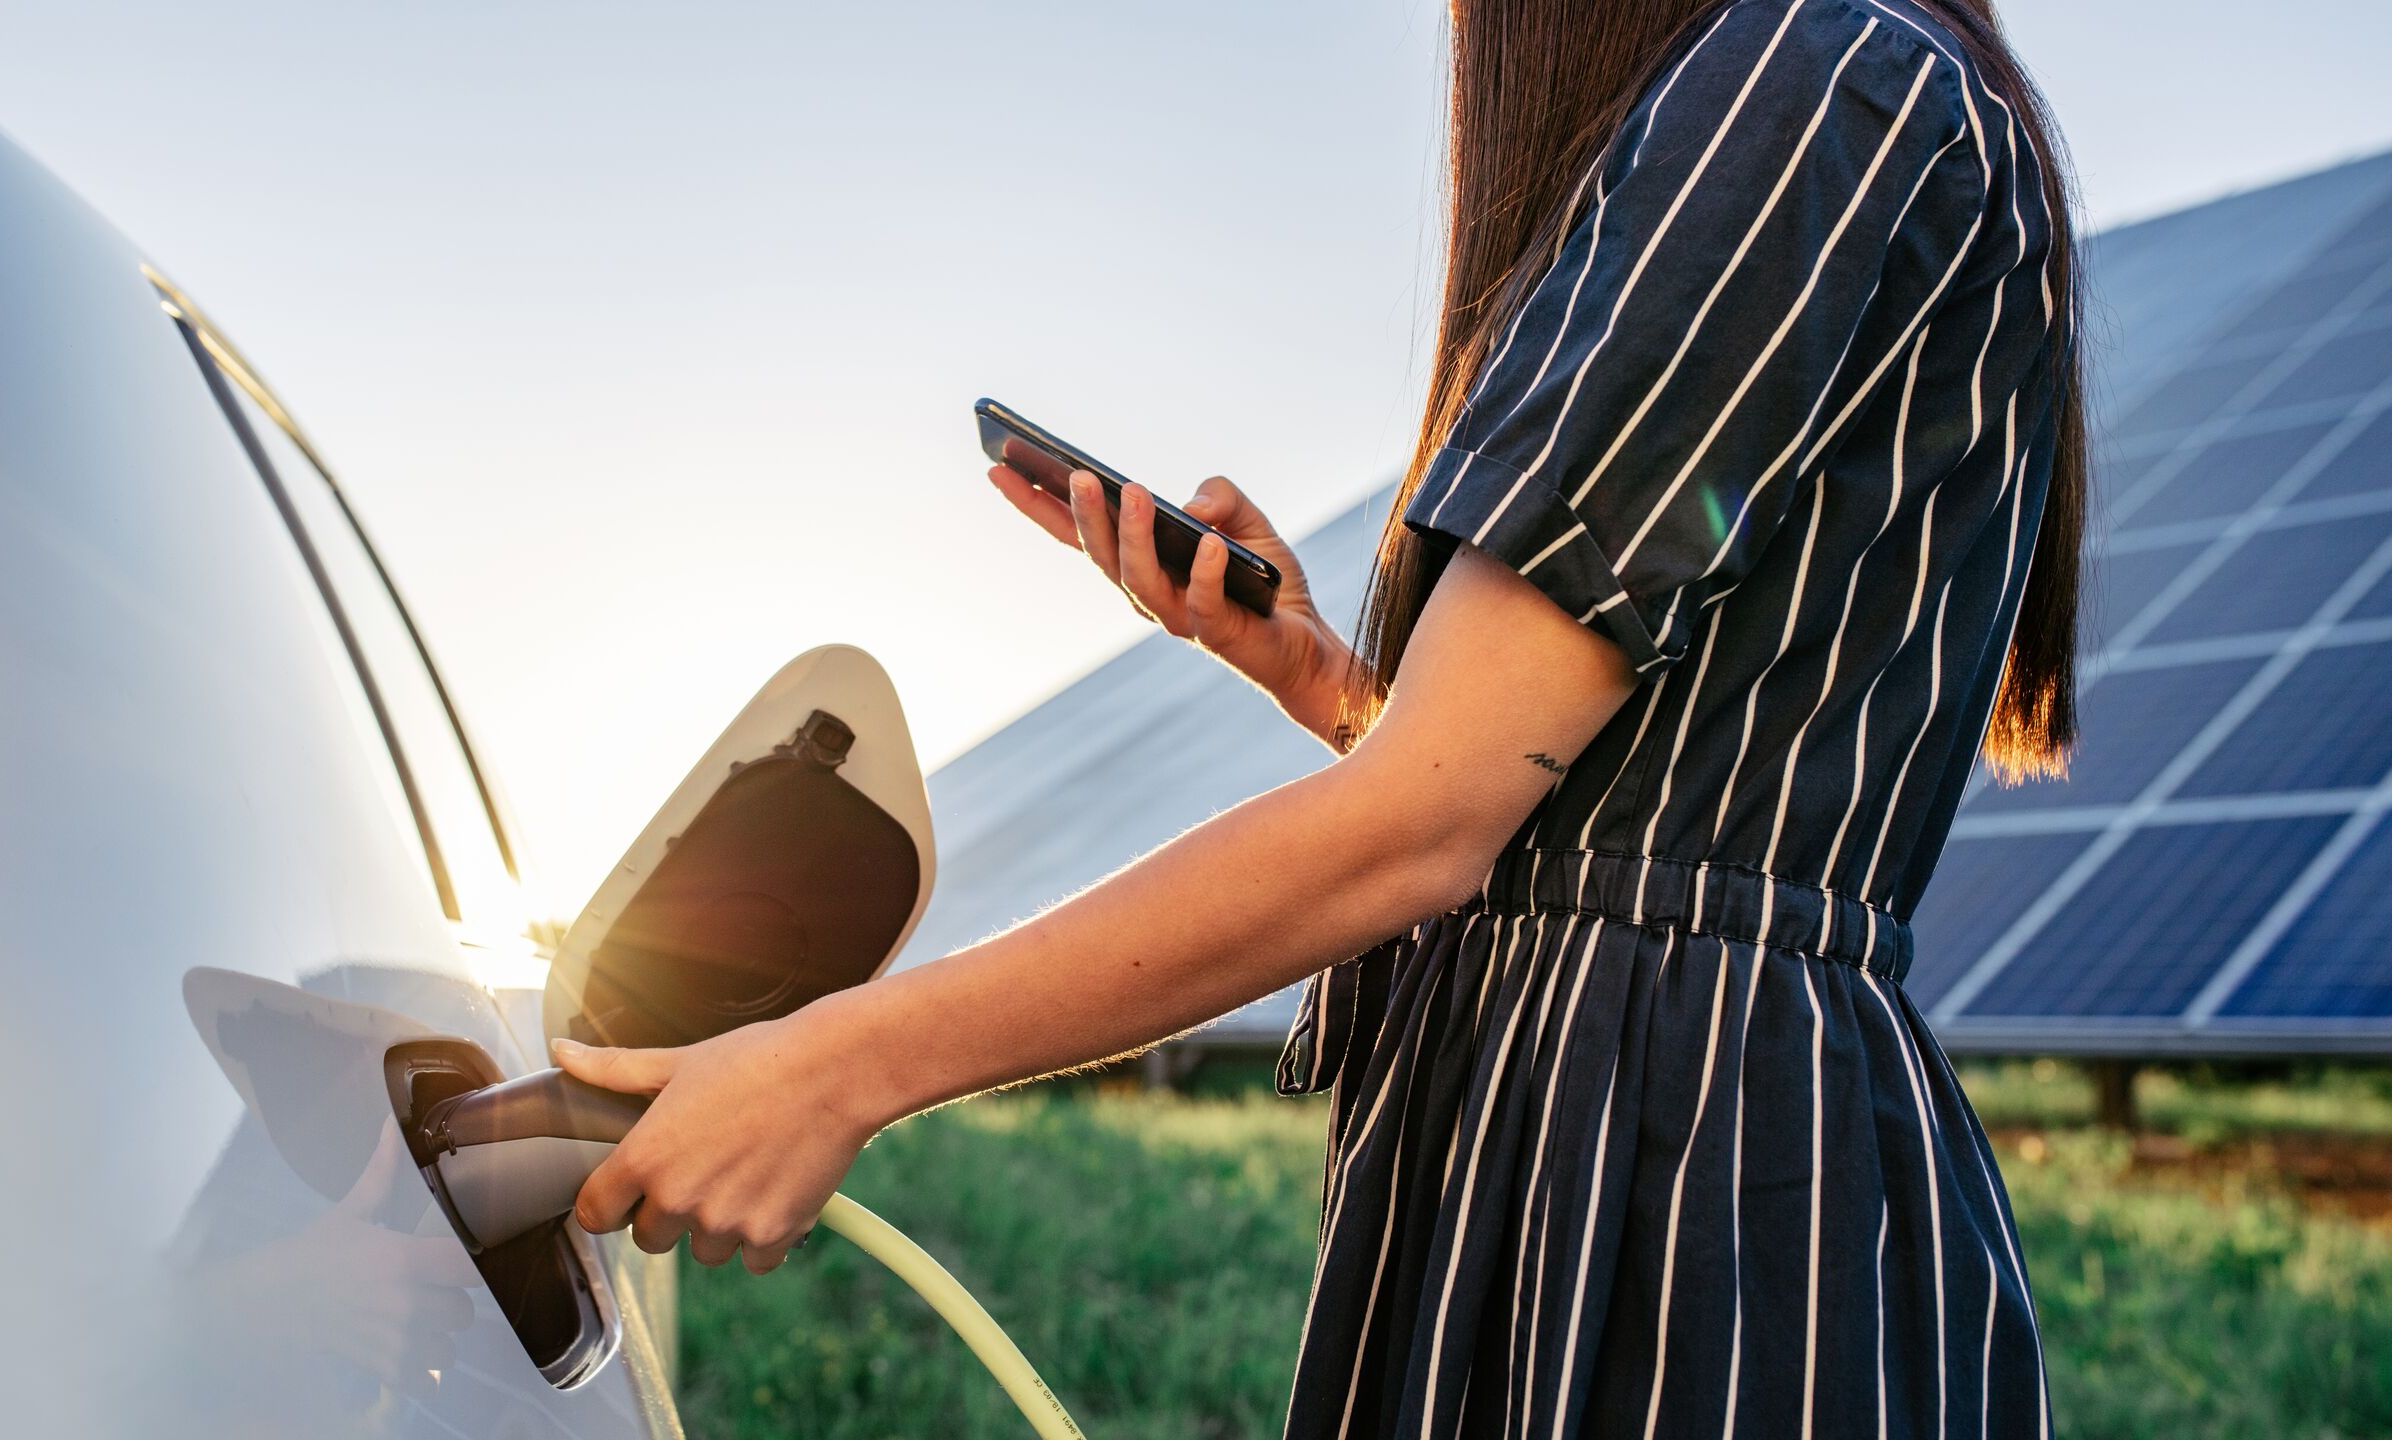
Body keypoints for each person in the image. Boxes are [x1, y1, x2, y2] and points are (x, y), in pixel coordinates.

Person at [554, 0, 2085, 1431]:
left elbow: (1428, 829)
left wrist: (838, 1064)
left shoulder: (1813, 77)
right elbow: (1606, 800)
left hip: (1674, 1177)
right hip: (1688, 1140)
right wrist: (1323, 680)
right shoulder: (1882, 83)